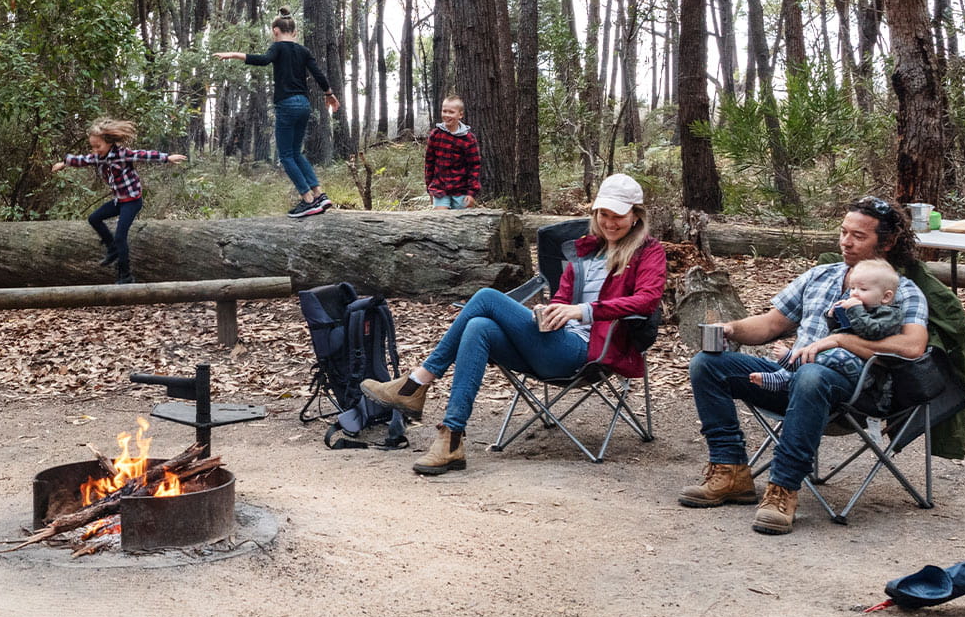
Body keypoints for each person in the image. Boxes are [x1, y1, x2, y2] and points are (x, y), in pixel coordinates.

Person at [359, 174, 666, 475]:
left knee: (486, 298)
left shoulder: (648, 252)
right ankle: (451, 438)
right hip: (554, 343)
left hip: (588, 351)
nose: (610, 223)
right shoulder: (585, 251)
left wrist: (582, 311)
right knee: (478, 326)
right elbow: (561, 299)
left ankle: (416, 382)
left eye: (618, 216)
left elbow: (646, 300)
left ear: (636, 217)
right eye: (603, 214)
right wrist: (552, 312)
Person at [680, 196, 930, 535]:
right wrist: (732, 329)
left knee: (811, 376)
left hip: (850, 394)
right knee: (707, 365)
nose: (845, 241)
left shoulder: (900, 291)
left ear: (886, 242)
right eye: (843, 232)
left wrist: (843, 340)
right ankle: (730, 471)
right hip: (787, 380)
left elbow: (913, 345)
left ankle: (783, 488)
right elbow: (771, 324)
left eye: (858, 236)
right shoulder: (820, 276)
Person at [212, 8, 342, 218]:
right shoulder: (303, 51)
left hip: (287, 105)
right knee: (296, 152)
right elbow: (318, 74)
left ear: (275, 31)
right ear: (295, 32)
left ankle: (308, 199)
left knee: (286, 155)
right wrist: (329, 94)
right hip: (304, 105)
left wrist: (233, 54)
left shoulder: (278, 47)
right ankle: (319, 194)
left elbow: (263, 60)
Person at [50, 118, 186, 284]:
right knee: (94, 218)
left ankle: (126, 275)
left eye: (97, 146)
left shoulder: (122, 154)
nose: (94, 150)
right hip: (119, 201)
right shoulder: (98, 157)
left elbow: (142, 155)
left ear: (108, 143)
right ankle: (112, 248)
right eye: (92, 146)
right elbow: (82, 160)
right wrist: (64, 163)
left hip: (132, 201)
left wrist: (167, 158)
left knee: (121, 236)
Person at [749, 258, 905, 391]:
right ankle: (785, 376)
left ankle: (792, 364)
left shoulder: (890, 314)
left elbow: (871, 332)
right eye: (853, 288)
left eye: (863, 289)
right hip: (837, 368)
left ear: (886, 297)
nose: (855, 293)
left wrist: (854, 310)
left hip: (867, 373)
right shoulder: (859, 308)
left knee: (835, 354)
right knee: (823, 351)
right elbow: (839, 331)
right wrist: (833, 317)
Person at [424, 94, 481, 209]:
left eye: (451, 112)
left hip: (461, 190)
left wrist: (471, 192)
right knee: (441, 222)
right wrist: (429, 188)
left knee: (461, 224)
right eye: (444, 111)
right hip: (439, 189)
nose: (447, 115)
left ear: (460, 115)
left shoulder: (468, 139)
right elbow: (429, 163)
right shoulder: (436, 135)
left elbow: (474, 167)